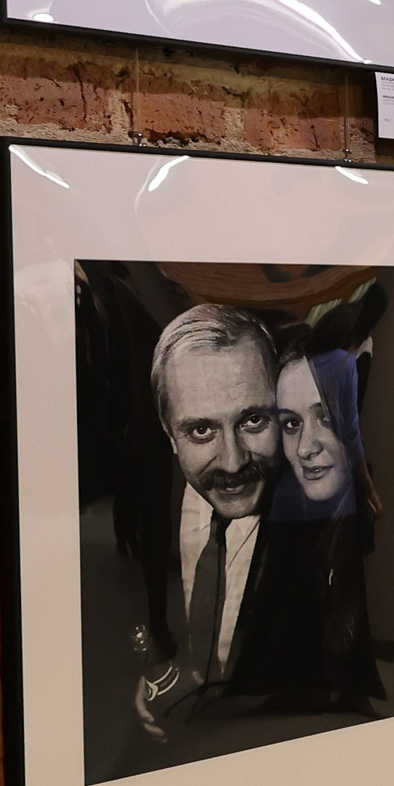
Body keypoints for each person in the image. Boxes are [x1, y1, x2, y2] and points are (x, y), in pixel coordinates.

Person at [129, 304, 291, 750]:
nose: (234, 462)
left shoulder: (318, 522)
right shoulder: (151, 502)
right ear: (168, 431)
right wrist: (157, 675)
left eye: (253, 419)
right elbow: (148, 613)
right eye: (201, 430)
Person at [243, 328, 380, 710]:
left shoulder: (344, 364)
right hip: (298, 501)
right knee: (296, 587)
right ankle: (313, 685)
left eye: (324, 417)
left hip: (333, 499)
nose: (306, 446)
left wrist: (366, 490)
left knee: (340, 589)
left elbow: (351, 432)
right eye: (292, 424)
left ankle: (342, 687)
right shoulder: (326, 365)